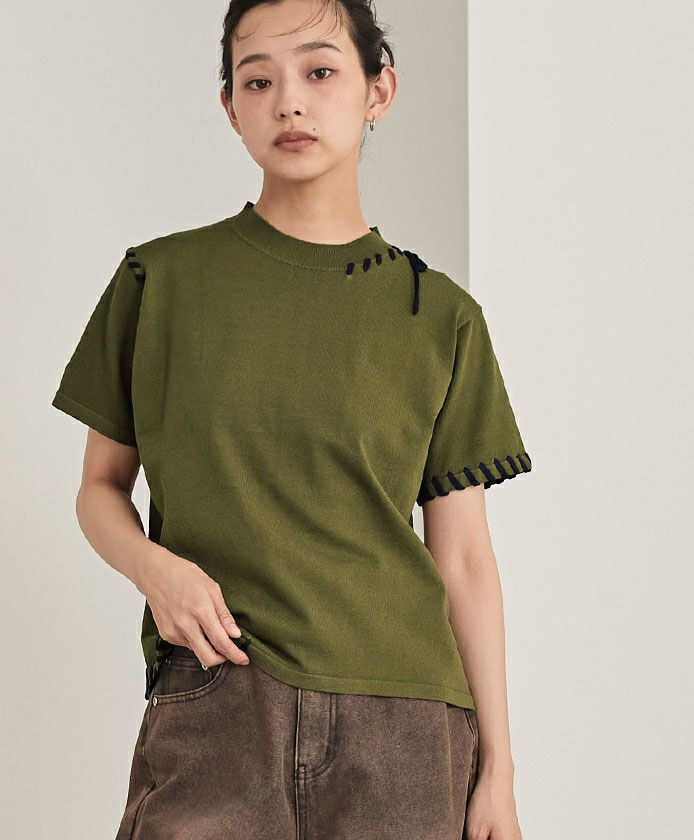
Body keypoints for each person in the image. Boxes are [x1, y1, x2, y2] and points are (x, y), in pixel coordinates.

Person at [50, 1, 533, 838]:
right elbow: (99, 489)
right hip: (220, 696)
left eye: (320, 71)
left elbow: (463, 560)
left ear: (379, 91)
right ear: (230, 107)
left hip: (407, 725)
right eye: (257, 81)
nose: (290, 102)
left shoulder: (441, 318)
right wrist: (157, 572)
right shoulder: (159, 282)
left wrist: (499, 771)